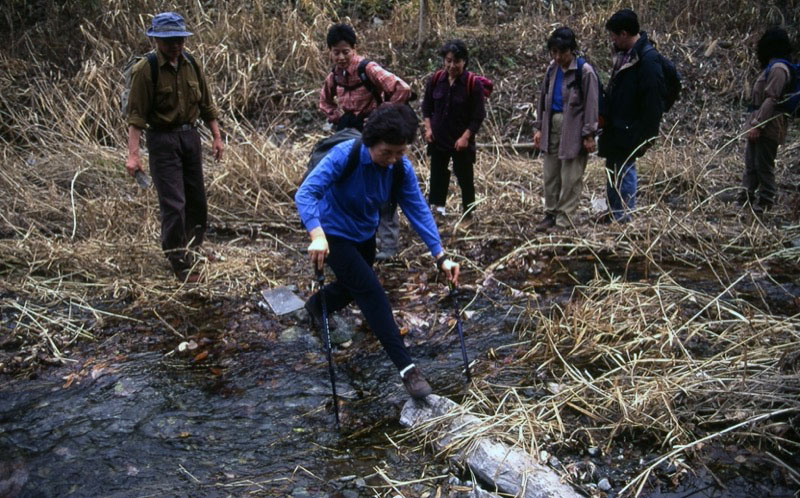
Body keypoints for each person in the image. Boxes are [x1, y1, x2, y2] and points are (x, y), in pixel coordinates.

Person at [295, 104, 460, 399]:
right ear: (371, 142)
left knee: (352, 287)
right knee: (371, 292)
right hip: (332, 234)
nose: (393, 159)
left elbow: (417, 210)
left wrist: (440, 256)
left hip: (364, 233)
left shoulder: (399, 168)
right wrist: (317, 235)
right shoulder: (344, 155)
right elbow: (306, 192)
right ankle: (407, 369)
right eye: (387, 152)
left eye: (400, 153)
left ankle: (315, 307)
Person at [125, 12, 224, 282]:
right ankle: (179, 261)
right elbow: (136, 117)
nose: (175, 45)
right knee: (174, 204)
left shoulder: (191, 63)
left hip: (189, 138)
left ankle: (194, 248)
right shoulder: (146, 69)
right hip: (163, 140)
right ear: (156, 39)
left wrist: (216, 137)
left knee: (197, 200)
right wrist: (133, 156)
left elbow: (207, 104)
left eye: (179, 39)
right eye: (169, 41)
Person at [319, 23, 412, 260]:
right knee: (347, 184)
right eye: (336, 52)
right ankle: (349, 238)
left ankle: (389, 245)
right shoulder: (334, 76)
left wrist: (382, 115)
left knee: (384, 185)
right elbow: (324, 102)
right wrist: (337, 117)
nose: (340, 57)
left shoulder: (367, 69)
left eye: (345, 52)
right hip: (348, 133)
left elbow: (402, 89)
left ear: (354, 49)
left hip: (374, 134)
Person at [597, 9, 664, 223]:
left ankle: (624, 217)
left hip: (632, 127)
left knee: (625, 170)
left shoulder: (648, 59)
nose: (612, 39)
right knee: (613, 170)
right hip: (617, 125)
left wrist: (647, 134)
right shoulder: (625, 55)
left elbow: (653, 102)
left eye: (614, 35)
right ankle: (614, 211)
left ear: (624, 33)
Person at [532, 27, 599, 232]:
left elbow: (591, 104)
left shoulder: (584, 71)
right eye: (554, 52)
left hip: (574, 127)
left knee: (570, 176)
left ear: (572, 50)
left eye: (562, 52)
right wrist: (539, 127)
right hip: (552, 123)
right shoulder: (552, 69)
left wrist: (589, 134)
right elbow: (543, 99)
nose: (558, 57)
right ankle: (550, 214)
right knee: (550, 173)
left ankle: (564, 220)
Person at [422, 39, 486, 227]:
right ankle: (438, 210)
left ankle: (468, 213)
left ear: (464, 61)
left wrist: (466, 137)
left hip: (461, 141)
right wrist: (428, 128)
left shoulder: (472, 84)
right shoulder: (435, 80)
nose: (451, 65)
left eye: (456, 61)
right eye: (448, 60)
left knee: (465, 176)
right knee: (438, 174)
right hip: (438, 138)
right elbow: (426, 108)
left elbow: (478, 116)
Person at [739, 27, 793, 212]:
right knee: (751, 163)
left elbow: (772, 98)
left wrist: (758, 125)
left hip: (769, 125)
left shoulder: (779, 69)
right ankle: (746, 198)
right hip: (761, 121)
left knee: (763, 165)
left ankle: (766, 202)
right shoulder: (773, 67)